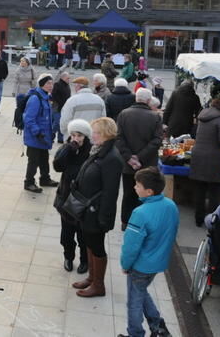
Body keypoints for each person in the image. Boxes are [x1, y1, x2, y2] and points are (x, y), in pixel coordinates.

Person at [118, 167, 179, 337]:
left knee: (134, 302)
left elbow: (131, 246)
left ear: (149, 191)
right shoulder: (170, 205)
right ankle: (157, 324)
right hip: (158, 262)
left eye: (137, 185)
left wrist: (125, 264)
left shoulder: (140, 213)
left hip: (140, 265)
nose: (134, 188)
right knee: (141, 291)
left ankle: (135, 333)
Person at [70, 117, 124, 297]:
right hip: (88, 209)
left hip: (97, 211)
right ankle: (92, 278)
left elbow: (111, 192)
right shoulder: (99, 150)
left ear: (106, 134)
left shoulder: (112, 158)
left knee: (97, 246)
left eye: (96, 132)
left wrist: (104, 218)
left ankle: (98, 286)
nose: (92, 135)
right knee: (89, 242)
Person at [116, 88, 163, 230]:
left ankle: (125, 222)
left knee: (128, 193)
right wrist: (140, 156)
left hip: (127, 164)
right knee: (146, 193)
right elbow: (157, 140)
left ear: (136, 98)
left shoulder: (124, 114)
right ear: (149, 100)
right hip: (147, 164)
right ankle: (141, 223)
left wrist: (129, 157)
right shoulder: (155, 117)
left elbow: (118, 138)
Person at [53, 119, 93, 274]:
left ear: (86, 136)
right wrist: (68, 149)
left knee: (83, 235)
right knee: (67, 234)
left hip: (83, 200)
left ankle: (84, 260)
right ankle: (68, 257)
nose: (76, 138)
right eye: (74, 135)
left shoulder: (91, 150)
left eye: (80, 135)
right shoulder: (67, 148)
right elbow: (57, 166)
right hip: (66, 197)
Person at [189, 98, 220, 227]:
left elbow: (194, 134)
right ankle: (212, 219)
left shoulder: (202, 117)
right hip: (213, 157)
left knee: (200, 189)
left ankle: (198, 219)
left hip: (197, 155)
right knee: (214, 190)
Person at [23, 74, 58, 193]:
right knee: (33, 160)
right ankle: (29, 182)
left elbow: (47, 118)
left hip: (43, 136)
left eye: (52, 83)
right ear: (42, 84)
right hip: (35, 137)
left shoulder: (46, 97)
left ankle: (45, 179)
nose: (50, 86)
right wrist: (37, 132)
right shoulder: (35, 98)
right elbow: (28, 118)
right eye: (48, 83)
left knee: (44, 158)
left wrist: (51, 132)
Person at [51, 72, 72, 143]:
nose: (69, 79)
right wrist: (61, 103)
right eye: (68, 78)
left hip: (65, 107)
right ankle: (51, 135)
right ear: (63, 78)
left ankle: (60, 138)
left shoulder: (67, 85)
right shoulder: (57, 84)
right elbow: (54, 95)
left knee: (62, 123)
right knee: (57, 122)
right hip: (57, 107)